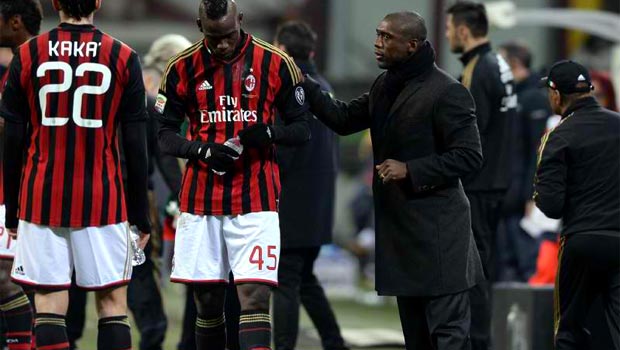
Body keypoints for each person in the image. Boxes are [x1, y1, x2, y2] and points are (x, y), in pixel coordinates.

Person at [302, 11, 484, 350]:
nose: (377, 43)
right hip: (402, 235)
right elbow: (342, 119)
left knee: (450, 340)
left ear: (412, 45)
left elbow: (470, 157)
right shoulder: (385, 84)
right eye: (377, 34)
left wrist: (411, 169)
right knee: (417, 341)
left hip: (441, 237)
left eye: (387, 37)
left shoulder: (448, 91)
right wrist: (303, 83)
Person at [156, 0, 310, 349]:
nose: (222, 44)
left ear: (240, 20)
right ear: (199, 26)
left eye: (228, 35)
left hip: (256, 199)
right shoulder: (180, 67)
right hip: (200, 200)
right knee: (207, 302)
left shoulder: (277, 63)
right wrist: (200, 150)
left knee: (255, 297)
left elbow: (302, 129)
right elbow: (163, 135)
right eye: (213, 37)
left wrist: (269, 133)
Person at [1, 0, 152, 349]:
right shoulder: (123, 55)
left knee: (49, 307)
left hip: (41, 196)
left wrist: (12, 205)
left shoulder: (28, 54)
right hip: (104, 198)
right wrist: (140, 213)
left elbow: (12, 138)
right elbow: (135, 145)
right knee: (113, 306)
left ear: (55, 3)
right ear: (97, 3)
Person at [271, 21, 347, 350]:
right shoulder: (324, 86)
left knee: (286, 280)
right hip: (320, 201)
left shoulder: (286, 88)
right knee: (305, 279)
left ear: (282, 50)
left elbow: (284, 151)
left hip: (291, 200)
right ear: (312, 52)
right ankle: (334, 342)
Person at [445, 2, 517, 349]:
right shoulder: (500, 63)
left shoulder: (477, 69)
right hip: (499, 180)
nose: (446, 36)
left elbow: (470, 133)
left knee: (473, 272)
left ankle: (479, 342)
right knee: (484, 268)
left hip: (480, 185)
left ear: (462, 30)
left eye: (448, 29)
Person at [534, 60, 620, 350]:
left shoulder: (558, 136)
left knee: (569, 330)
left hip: (581, 241)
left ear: (556, 94)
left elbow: (551, 205)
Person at [0, 1, 42, 348]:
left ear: (14, 22)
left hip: (22, 192)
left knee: (8, 281)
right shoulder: (11, 68)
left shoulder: (41, 68)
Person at [497, 41, 551, 282]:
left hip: (521, 197)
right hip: (506, 192)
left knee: (524, 258)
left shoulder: (534, 99)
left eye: (501, 62)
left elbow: (536, 151)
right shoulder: (512, 96)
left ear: (515, 64)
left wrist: (532, 194)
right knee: (505, 258)